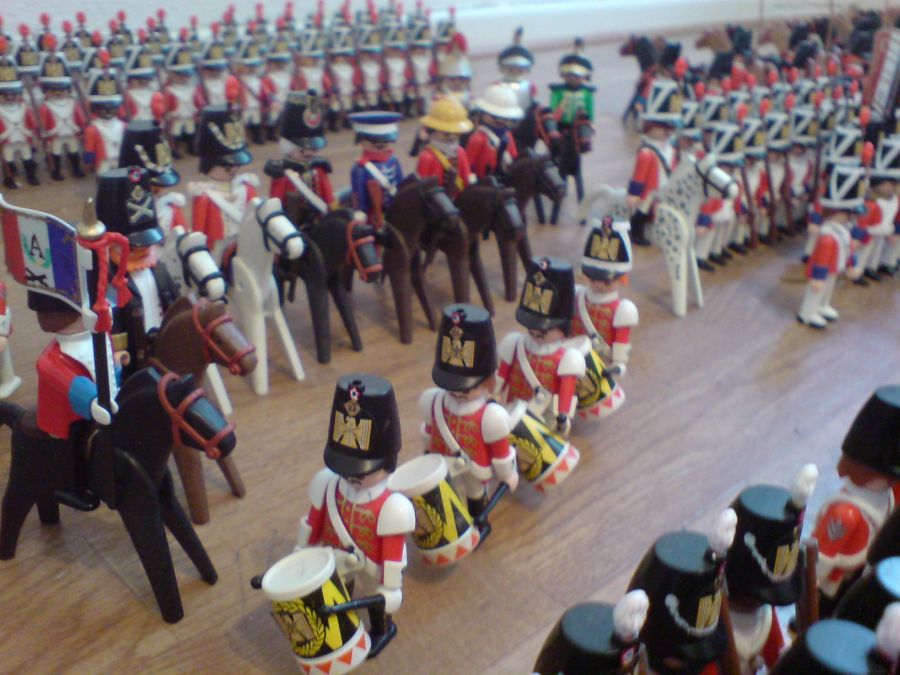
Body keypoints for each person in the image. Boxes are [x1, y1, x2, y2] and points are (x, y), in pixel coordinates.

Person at [296, 374, 415, 659]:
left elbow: (393, 553)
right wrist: (303, 551)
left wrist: (390, 586)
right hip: (334, 556)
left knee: (376, 600)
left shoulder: (392, 507)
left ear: (387, 463)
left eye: (363, 471)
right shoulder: (327, 484)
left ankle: (382, 629)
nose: (353, 477)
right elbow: (314, 520)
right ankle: (342, 623)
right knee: (337, 590)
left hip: (372, 563)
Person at [419, 304, 517, 538]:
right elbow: (429, 431)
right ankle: (450, 528)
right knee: (444, 495)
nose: (457, 393)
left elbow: (501, 451)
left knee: (475, 493)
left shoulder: (491, 417)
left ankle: (477, 522)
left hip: (475, 466)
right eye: (451, 386)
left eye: (465, 388)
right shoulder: (432, 402)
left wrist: (507, 474)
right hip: (442, 461)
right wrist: (427, 455)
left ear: (487, 382)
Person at [812, 386, 900, 614]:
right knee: (829, 608)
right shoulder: (845, 513)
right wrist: (812, 584)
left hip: (863, 568)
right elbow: (822, 557)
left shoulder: (888, 496)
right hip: (836, 580)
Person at [32, 290, 120, 512]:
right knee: (70, 446)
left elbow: (107, 366)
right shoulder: (51, 358)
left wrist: (118, 366)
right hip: (66, 415)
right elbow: (73, 384)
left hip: (104, 405)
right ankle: (69, 488)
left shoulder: (99, 337)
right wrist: (92, 401)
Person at [725, 464, 818, 671]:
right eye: (751, 597)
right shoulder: (718, 626)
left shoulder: (765, 616)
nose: (755, 604)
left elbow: (776, 653)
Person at [99, 168, 178, 376]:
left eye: (146, 244)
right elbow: (112, 319)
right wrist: (116, 350)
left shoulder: (159, 269)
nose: (143, 250)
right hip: (135, 354)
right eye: (133, 247)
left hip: (165, 343)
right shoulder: (110, 281)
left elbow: (176, 303)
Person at [496, 257, 585, 435]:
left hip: (544, 419)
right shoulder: (514, 344)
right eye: (532, 329)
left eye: (543, 332)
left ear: (562, 329)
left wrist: (563, 416)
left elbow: (566, 391)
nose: (536, 334)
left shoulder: (568, 359)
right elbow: (501, 377)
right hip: (512, 411)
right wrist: (494, 397)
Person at [797, 163, 865, 328]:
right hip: (823, 271)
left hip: (834, 268)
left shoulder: (843, 231)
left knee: (827, 290)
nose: (850, 218)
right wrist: (818, 277)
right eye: (848, 214)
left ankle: (822, 305)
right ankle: (807, 313)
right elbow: (821, 259)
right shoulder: (827, 236)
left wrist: (852, 264)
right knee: (816, 291)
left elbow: (849, 249)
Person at [189, 105, 258, 264]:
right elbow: (199, 228)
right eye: (227, 166)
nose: (233, 170)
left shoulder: (246, 187)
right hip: (218, 243)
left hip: (245, 237)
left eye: (237, 165)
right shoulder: (204, 195)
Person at [571, 216, 638, 377]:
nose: (599, 284)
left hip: (601, 366)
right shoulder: (577, 295)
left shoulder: (623, 310)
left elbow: (621, 340)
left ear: (622, 278)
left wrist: (618, 364)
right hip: (572, 360)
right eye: (593, 278)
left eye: (607, 281)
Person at [264, 90, 335, 226]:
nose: (308, 153)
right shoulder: (283, 174)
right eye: (302, 149)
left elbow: (328, 197)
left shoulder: (319, 169)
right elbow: (275, 204)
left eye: (313, 149)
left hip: (319, 220)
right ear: (288, 146)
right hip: (291, 224)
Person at [626, 78, 681, 246]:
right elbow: (639, 175)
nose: (668, 132)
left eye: (670, 128)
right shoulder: (647, 152)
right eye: (664, 128)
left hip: (664, 185)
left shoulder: (670, 149)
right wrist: (634, 193)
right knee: (643, 208)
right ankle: (636, 232)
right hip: (649, 188)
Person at [349, 111, 403, 227]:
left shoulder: (393, 161)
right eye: (373, 141)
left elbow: (401, 183)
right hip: (373, 215)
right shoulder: (360, 168)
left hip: (395, 209)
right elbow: (359, 193)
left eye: (385, 141)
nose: (380, 145)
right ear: (361, 141)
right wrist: (360, 211)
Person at [415, 96, 474, 200]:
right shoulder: (427, 156)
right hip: (435, 201)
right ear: (431, 130)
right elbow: (421, 184)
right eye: (446, 133)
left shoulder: (460, 152)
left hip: (458, 197)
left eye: (456, 133)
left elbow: (466, 175)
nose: (452, 136)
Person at [0, 39, 40, 188]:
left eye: (13, 95)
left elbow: (31, 122)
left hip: (23, 136)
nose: (10, 97)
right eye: (6, 96)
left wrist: (34, 132)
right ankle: (9, 179)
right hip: (7, 138)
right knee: (8, 159)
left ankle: (31, 176)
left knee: (27, 157)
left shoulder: (24, 107)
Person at [466, 83, 523, 179]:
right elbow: (469, 162)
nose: (500, 121)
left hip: (505, 175)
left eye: (505, 118)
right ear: (482, 114)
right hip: (483, 179)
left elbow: (514, 156)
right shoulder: (479, 138)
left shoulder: (507, 135)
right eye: (494, 117)